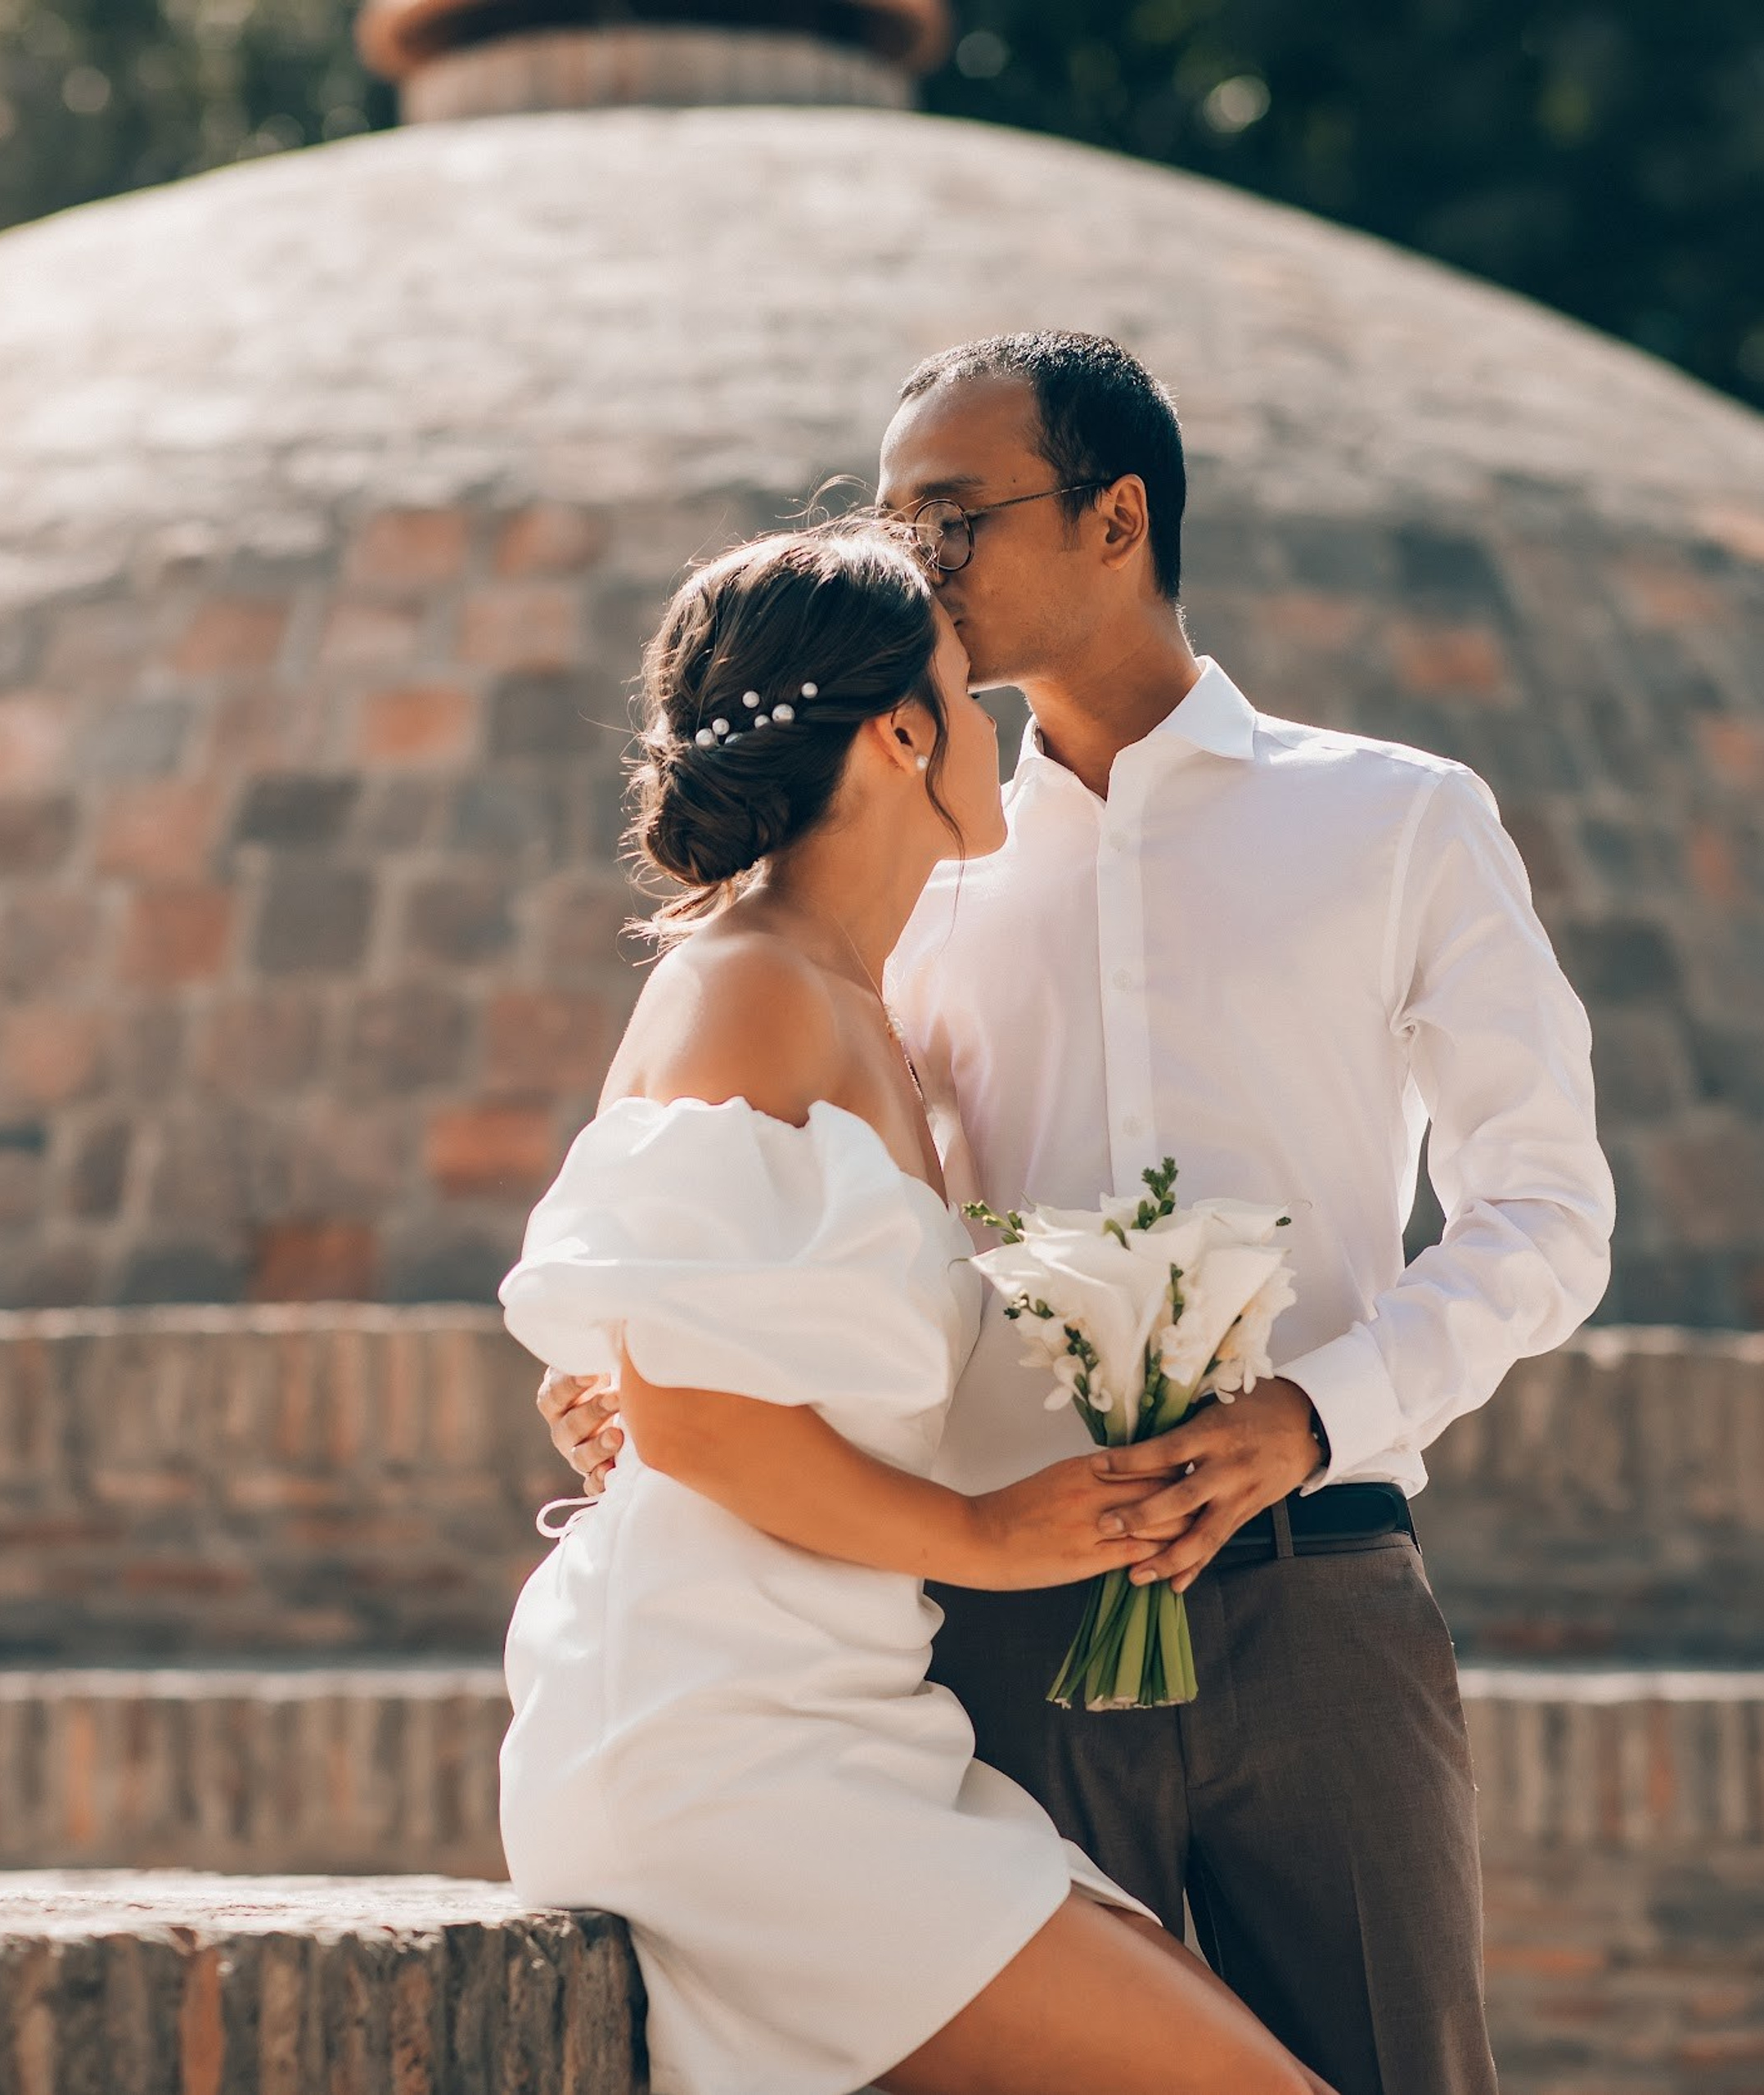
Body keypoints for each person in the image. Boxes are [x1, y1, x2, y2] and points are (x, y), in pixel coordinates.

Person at [541, 333, 1617, 2095]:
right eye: (892, 524)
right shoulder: (916, 856)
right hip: (1001, 1625)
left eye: (949, 519)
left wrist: (1308, 1419)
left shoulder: (1395, 820)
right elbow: (802, 1219)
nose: (914, 567)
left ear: (1116, 516)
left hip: (1315, 1595)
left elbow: (1546, 1212)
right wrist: (649, 1386)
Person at [498, 520, 1334, 2095]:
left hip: (851, 1718)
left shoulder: (861, 1009)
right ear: (898, 732)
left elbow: (696, 1359)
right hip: (724, 1735)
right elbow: (691, 1415)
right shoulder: (746, 984)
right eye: (966, 691)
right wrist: (996, 1539)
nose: (995, 725)